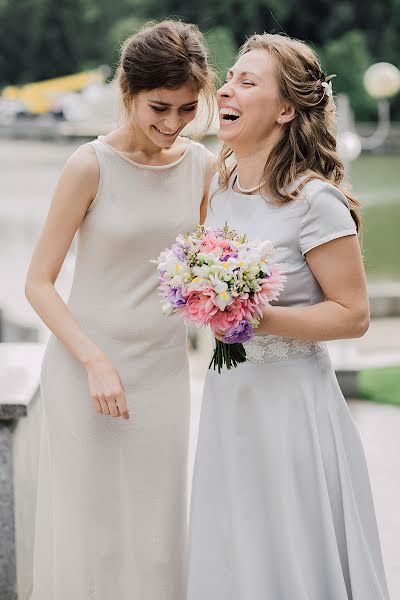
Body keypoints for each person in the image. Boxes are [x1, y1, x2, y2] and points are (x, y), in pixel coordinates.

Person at [187, 33, 390, 600]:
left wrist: (255, 315)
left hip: (292, 404)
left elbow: (353, 315)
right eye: (230, 78)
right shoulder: (219, 185)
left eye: (247, 82)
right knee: (236, 540)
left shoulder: (314, 200)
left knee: (291, 545)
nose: (225, 88)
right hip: (231, 395)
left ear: (285, 110)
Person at [25, 20, 216, 600]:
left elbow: (205, 268)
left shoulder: (203, 166)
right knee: (93, 526)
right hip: (86, 368)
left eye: (188, 108)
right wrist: (94, 361)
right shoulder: (90, 165)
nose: (173, 123)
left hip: (161, 368)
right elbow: (38, 283)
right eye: (160, 107)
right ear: (128, 92)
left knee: (157, 524)